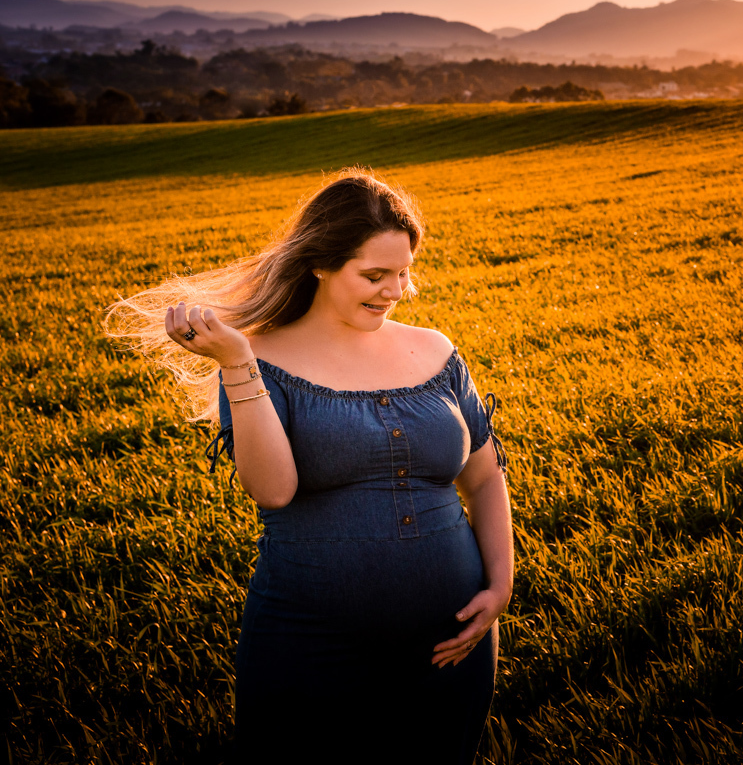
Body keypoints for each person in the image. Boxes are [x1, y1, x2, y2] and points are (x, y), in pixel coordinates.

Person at [103, 167, 513, 764]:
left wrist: (500, 587)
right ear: (320, 264)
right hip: (310, 647)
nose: (394, 290)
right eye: (373, 275)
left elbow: (483, 477)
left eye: (403, 273)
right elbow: (273, 489)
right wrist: (239, 363)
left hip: (453, 643)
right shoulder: (258, 357)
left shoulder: (436, 349)